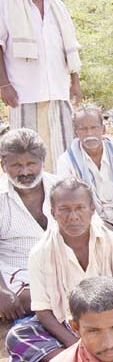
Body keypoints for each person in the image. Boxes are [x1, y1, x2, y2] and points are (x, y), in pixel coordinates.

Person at [5, 177, 113, 362]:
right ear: (53, 212)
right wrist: (76, 343)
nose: (73, 216)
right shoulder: (41, 252)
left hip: (112, 323)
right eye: (65, 209)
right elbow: (43, 311)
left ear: (92, 209)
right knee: (18, 336)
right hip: (68, 327)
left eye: (80, 208)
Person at [0, 0, 82, 173]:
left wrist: (75, 82)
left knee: (62, 152)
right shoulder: (5, 2)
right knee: (27, 153)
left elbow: (68, 46)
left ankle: (59, 200)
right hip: (23, 91)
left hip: (57, 90)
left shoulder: (57, 5)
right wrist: (4, 85)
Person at [0, 129, 58, 323]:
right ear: (3, 165)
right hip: (18, 274)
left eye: (31, 164)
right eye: (16, 165)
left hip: (62, 267)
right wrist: (1, 291)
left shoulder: (63, 188)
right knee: (28, 299)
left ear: (43, 161)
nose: (24, 172)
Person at [56, 104, 113, 229]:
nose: (89, 133)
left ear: (103, 130)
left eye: (94, 128)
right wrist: (100, 225)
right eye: (83, 129)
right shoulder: (66, 162)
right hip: (90, 224)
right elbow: (71, 202)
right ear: (76, 133)